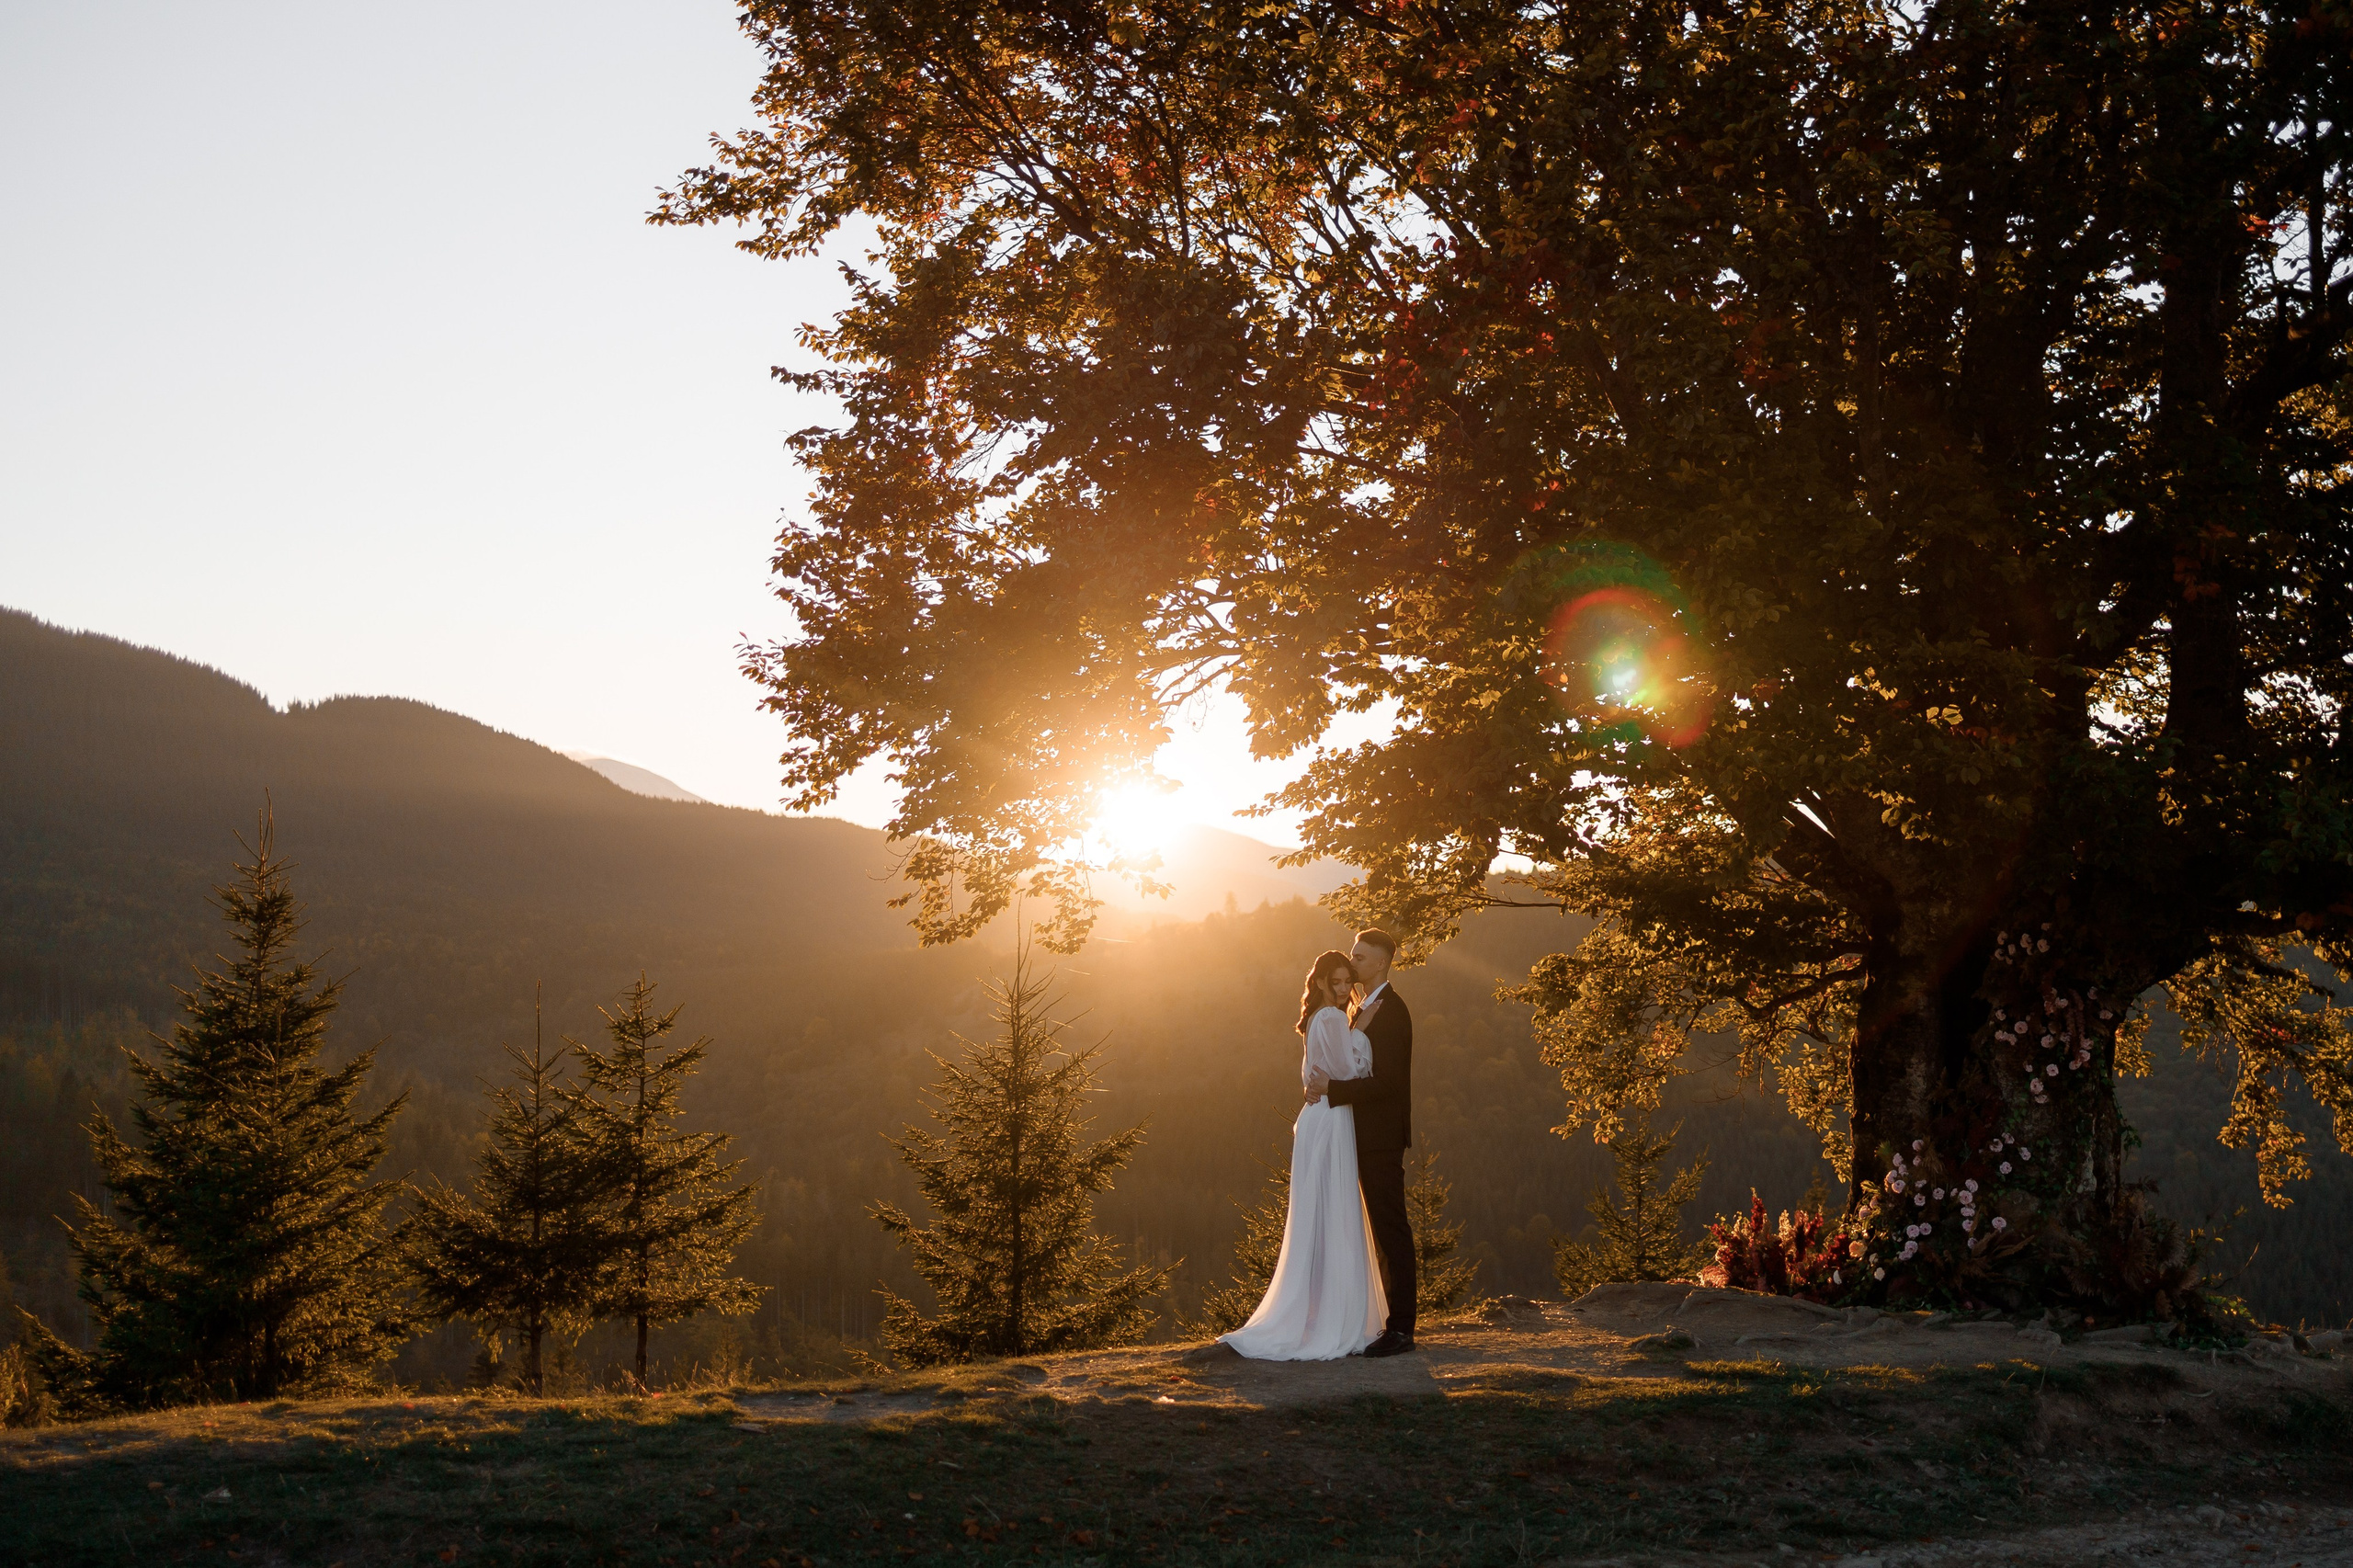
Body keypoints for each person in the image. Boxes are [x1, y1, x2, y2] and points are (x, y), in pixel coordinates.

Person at [1219, 949, 1388, 1360]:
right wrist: (1361, 1029)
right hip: (1332, 1119)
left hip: (1319, 1117)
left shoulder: (1318, 1019)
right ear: (1320, 983)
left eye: (1349, 982)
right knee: (1336, 1210)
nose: (1346, 989)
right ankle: (1331, 1318)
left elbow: (1325, 1072)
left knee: (1322, 1212)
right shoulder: (1332, 1018)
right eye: (1338, 982)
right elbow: (1351, 1071)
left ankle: (1317, 1313)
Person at [1306, 927, 1415, 1357]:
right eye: (1353, 955)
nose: (1354, 963)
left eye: (1362, 957)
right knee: (1372, 1230)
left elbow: (1387, 1083)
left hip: (1380, 1138)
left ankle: (1402, 1328)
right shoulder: (1360, 1008)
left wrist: (1333, 1089)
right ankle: (1376, 1320)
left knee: (1391, 1228)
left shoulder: (1392, 1011)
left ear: (1384, 963)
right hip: (1358, 1135)